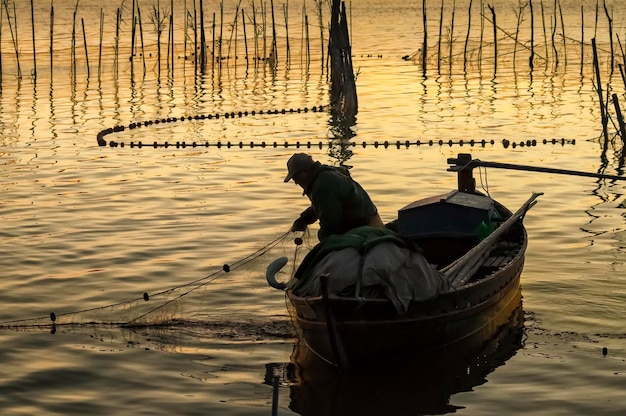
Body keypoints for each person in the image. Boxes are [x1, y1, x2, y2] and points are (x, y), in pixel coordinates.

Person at [283, 153, 384, 240]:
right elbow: (325, 205)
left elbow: (331, 224)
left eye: (296, 177)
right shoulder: (325, 176)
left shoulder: (323, 185)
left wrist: (322, 238)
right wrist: (304, 218)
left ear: (306, 171)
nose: (296, 182)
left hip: (365, 230)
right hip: (370, 223)